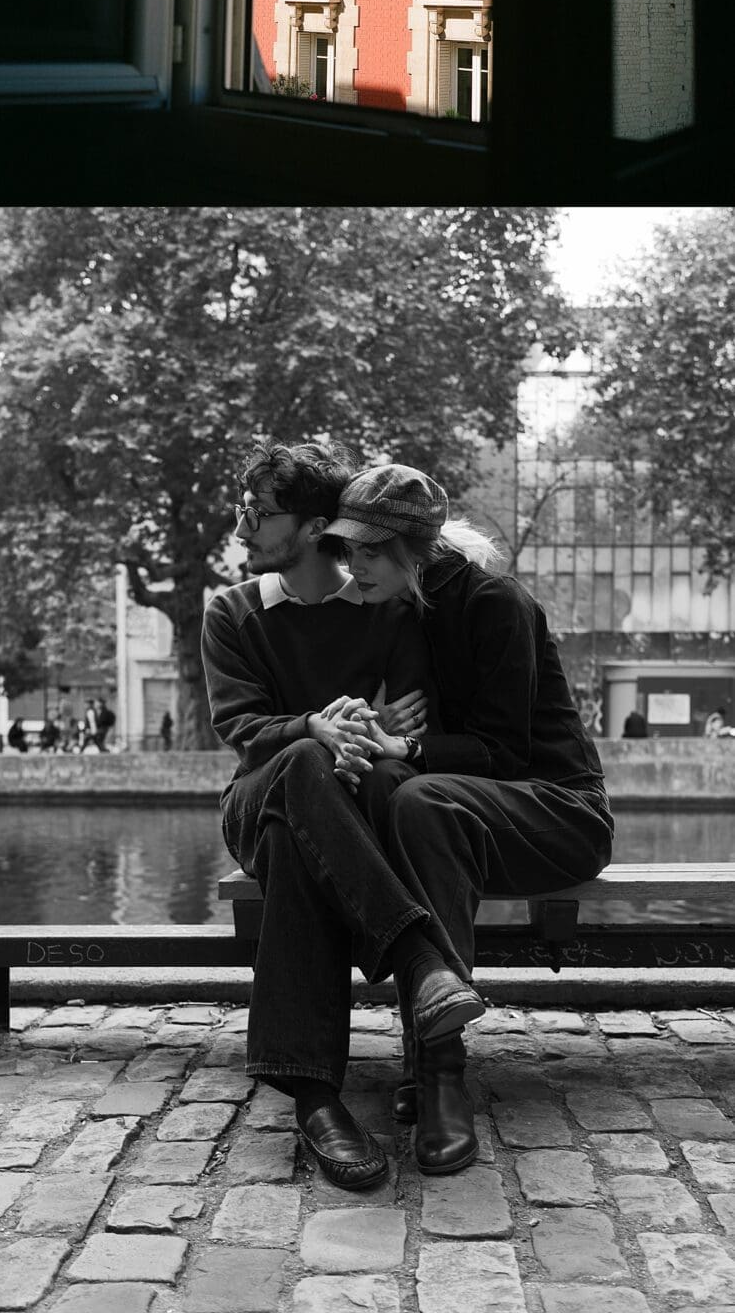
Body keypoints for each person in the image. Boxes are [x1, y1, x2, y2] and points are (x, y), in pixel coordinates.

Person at [201, 440, 484, 1192]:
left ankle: (315, 1097)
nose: (244, 526)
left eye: (260, 513)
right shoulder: (232, 614)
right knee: (298, 768)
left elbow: (404, 729)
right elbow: (244, 732)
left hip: (349, 808)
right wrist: (317, 731)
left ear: (316, 524)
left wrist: (356, 742)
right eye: (244, 508)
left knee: (301, 844)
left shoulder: (387, 613)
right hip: (257, 798)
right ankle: (421, 961)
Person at [321, 462, 615, 1175]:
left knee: (417, 794)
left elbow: (506, 754)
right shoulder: (400, 611)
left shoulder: (495, 605)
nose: (351, 568)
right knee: (397, 790)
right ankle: (429, 1066)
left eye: (367, 552)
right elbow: (399, 742)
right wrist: (381, 730)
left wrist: (411, 745)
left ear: (413, 554)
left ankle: (443, 1081)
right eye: (346, 550)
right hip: (460, 818)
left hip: (556, 813)